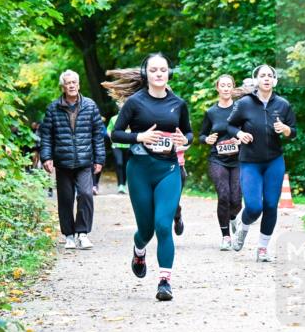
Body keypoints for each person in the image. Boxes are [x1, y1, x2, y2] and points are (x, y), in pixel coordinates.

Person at [104, 53, 192, 301]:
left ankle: (165, 281)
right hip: (140, 170)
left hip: (169, 170)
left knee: (163, 225)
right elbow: (116, 134)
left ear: (168, 73)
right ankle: (139, 249)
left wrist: (184, 140)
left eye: (163, 70)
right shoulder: (135, 102)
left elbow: (189, 133)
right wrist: (139, 137)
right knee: (146, 229)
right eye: (154, 70)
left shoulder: (178, 103)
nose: (159, 74)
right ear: (146, 73)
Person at [227, 64, 297, 261]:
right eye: (262, 75)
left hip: (274, 161)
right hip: (250, 162)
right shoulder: (244, 104)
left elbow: (293, 132)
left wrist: (285, 129)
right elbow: (231, 125)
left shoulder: (283, 104)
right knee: (254, 206)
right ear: (256, 80)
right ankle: (243, 223)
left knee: (271, 206)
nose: (266, 78)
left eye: (270, 75)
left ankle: (263, 249)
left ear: (274, 81)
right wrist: (240, 133)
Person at [39, 70, 105, 250]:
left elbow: (98, 135)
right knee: (66, 199)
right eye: (68, 83)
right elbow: (47, 136)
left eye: (74, 82)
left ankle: (82, 233)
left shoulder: (90, 106)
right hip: (63, 162)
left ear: (79, 84)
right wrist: (46, 157)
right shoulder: (53, 108)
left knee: (85, 194)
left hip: (85, 161)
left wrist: (99, 159)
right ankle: (69, 235)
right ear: (63, 86)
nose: (72, 85)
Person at [199, 74, 243, 250]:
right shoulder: (211, 112)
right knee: (224, 195)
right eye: (222, 85)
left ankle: (233, 217)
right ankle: (226, 236)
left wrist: (241, 140)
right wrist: (207, 139)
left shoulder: (241, 110)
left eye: (229, 85)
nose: (225, 88)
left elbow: (250, 131)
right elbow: (202, 135)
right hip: (217, 159)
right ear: (217, 88)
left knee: (236, 199)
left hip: (239, 159)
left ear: (233, 88)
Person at [106, 112, 131, 194]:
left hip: (128, 145)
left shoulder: (131, 116)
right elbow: (109, 129)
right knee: (119, 163)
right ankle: (120, 185)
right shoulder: (113, 118)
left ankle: (124, 184)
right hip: (116, 145)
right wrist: (112, 136)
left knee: (126, 165)